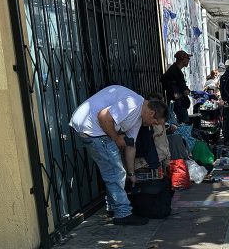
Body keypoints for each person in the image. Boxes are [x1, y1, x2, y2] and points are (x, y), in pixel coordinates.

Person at [70, 86, 163, 226]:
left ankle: (113, 207)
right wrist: (116, 137)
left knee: (113, 170)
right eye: (155, 123)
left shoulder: (138, 115)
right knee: (116, 172)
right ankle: (123, 213)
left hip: (94, 129)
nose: (153, 126)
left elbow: (131, 146)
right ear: (151, 113)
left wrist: (131, 173)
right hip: (92, 128)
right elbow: (103, 116)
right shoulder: (132, 104)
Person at [161, 50, 192, 124]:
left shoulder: (174, 70)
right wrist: (186, 91)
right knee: (184, 126)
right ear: (183, 59)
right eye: (188, 58)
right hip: (178, 104)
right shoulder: (175, 71)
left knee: (182, 125)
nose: (188, 60)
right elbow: (182, 89)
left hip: (177, 103)